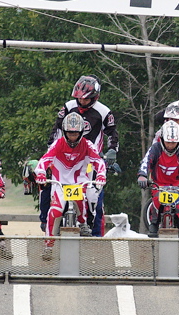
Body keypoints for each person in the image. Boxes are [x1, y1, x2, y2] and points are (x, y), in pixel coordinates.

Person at [42, 75, 118, 237]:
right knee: (47, 186)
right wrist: (50, 150)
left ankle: (94, 233)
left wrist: (112, 151)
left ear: (95, 97)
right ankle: (44, 222)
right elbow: (56, 129)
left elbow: (112, 134)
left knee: (96, 200)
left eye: (85, 99)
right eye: (79, 99)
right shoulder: (69, 106)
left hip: (89, 158)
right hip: (65, 155)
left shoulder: (103, 111)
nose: (81, 102)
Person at [35, 113, 107, 259]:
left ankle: (83, 223)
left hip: (79, 184)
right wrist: (41, 173)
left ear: (81, 132)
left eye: (75, 133)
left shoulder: (87, 145)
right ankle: (48, 245)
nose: (72, 137)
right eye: (69, 133)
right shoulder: (57, 144)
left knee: (83, 201)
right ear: (64, 132)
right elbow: (44, 160)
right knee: (55, 211)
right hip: (59, 184)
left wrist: (100, 175)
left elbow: (99, 162)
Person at [138, 121, 179, 255]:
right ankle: (154, 223)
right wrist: (142, 175)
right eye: (168, 142)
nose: (171, 145)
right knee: (156, 203)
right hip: (159, 185)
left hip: (177, 186)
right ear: (162, 140)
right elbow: (146, 162)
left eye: (174, 142)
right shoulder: (155, 148)